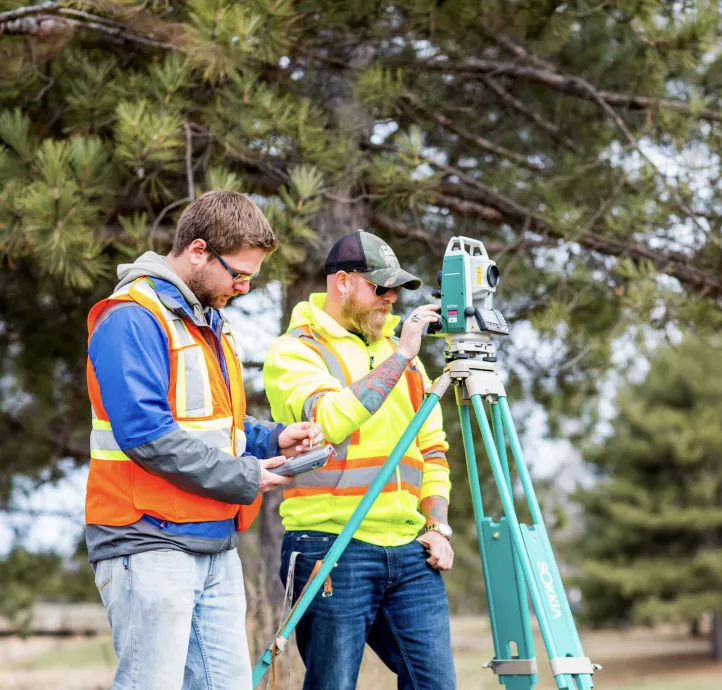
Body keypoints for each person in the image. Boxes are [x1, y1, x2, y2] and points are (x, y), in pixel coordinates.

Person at [85, 190, 324, 690]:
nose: (243, 287)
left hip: (212, 542)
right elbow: (146, 435)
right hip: (146, 540)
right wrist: (244, 476)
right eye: (237, 273)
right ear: (197, 251)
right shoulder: (131, 316)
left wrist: (276, 439)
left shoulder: (208, 322)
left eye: (251, 278)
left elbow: (218, 427)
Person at [262, 231, 455, 690]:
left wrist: (438, 526)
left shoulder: (402, 357)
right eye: (380, 287)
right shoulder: (295, 351)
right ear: (343, 282)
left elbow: (432, 448)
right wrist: (404, 354)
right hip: (330, 547)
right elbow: (328, 420)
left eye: (396, 290)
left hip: (409, 553)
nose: (391, 299)